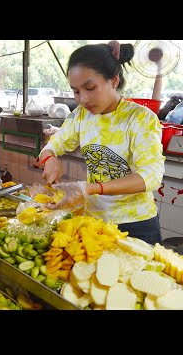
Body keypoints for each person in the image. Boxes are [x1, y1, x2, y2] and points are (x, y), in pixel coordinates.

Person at [37, 41, 165, 245]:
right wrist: (50, 158)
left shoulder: (140, 119)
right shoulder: (81, 115)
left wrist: (90, 188)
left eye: (90, 88)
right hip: (95, 222)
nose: (83, 99)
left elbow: (150, 177)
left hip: (136, 224)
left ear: (114, 81)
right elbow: (53, 144)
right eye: (76, 91)